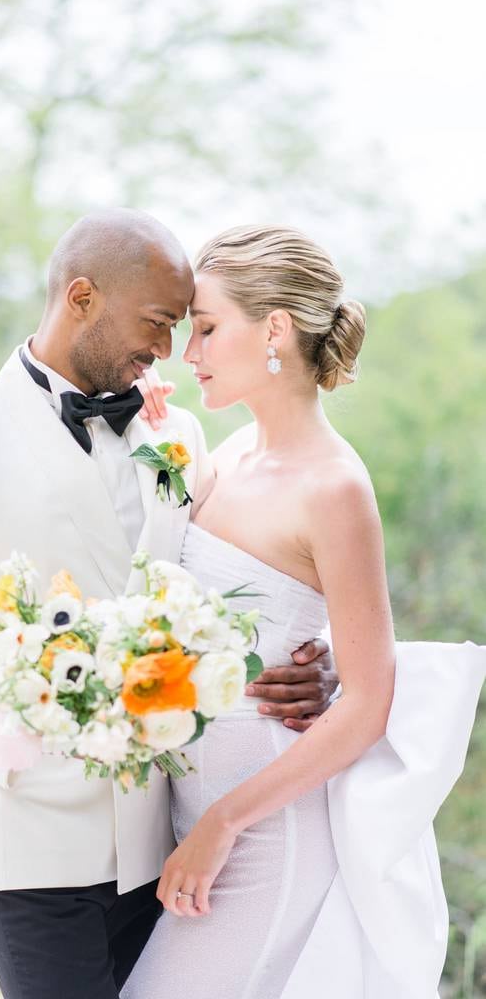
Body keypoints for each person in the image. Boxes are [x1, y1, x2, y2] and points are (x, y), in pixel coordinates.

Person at [0, 209, 336, 999]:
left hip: (164, 832)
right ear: (81, 297)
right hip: (27, 838)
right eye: (157, 324)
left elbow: (221, 577)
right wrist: (7, 728)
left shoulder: (179, 434)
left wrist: (307, 657)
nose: (166, 352)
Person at [123, 224, 486, 999]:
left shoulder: (335, 487)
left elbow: (369, 701)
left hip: (262, 838)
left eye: (209, 328)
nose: (190, 354)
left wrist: (224, 822)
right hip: (189, 821)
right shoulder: (221, 458)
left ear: (276, 330)